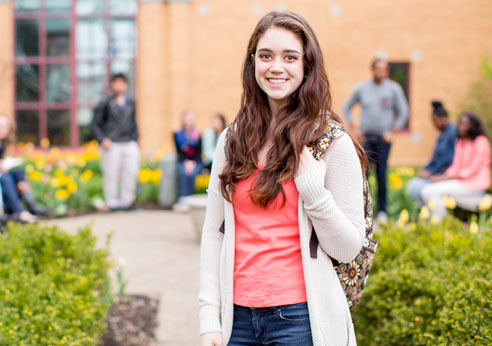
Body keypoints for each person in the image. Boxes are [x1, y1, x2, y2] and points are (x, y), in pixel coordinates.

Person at [199, 11, 367, 346]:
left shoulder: (331, 142)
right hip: (237, 320)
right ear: (253, 64)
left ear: (307, 66)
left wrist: (313, 193)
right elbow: (213, 231)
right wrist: (208, 318)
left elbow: (349, 248)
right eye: (266, 56)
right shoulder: (231, 140)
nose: (276, 67)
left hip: (301, 319)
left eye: (290, 57)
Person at [343, 57, 409, 222]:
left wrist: (393, 132)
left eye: (384, 69)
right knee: (363, 173)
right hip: (365, 137)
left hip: (384, 139)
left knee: (381, 173)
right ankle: (363, 209)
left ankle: (382, 212)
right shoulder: (362, 88)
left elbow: (403, 112)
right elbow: (347, 107)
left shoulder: (393, 89)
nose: (382, 72)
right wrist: (354, 128)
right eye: (379, 69)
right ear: (373, 69)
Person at [421, 113, 491, 218]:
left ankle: (438, 222)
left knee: (429, 191)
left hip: (475, 184)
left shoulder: (481, 141)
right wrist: (441, 177)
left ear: (473, 126)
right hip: (460, 183)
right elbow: (455, 166)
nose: (461, 127)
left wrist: (445, 178)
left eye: (464, 124)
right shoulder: (460, 142)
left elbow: (472, 169)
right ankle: (439, 220)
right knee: (428, 189)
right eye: (460, 124)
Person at [90, 73, 140, 212]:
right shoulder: (104, 102)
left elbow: (133, 122)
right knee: (111, 175)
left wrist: (135, 138)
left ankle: (127, 201)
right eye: (117, 82)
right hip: (111, 144)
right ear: (112, 84)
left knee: (131, 172)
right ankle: (112, 203)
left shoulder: (130, 101)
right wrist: (102, 139)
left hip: (128, 142)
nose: (120, 85)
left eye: (122, 82)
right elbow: (95, 124)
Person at [0, 113, 45, 222]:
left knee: (19, 172)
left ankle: (31, 205)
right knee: (7, 178)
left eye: (4, 126)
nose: (1, 129)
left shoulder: (1, 144)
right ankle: (20, 212)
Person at [406, 101, 457, 205]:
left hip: (442, 175)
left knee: (417, 187)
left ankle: (428, 213)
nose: (433, 124)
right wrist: (426, 169)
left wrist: (430, 173)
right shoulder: (441, 135)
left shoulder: (452, 133)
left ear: (443, 118)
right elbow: (435, 158)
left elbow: (447, 160)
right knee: (412, 184)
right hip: (434, 173)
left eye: (435, 121)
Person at [174, 110, 203, 198]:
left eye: (191, 118)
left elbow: (199, 152)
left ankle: (190, 198)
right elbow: (178, 152)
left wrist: (192, 163)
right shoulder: (177, 134)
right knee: (183, 172)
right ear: (183, 119)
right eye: (187, 118)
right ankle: (183, 198)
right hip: (182, 161)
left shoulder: (198, 134)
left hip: (196, 161)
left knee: (193, 174)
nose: (189, 120)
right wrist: (186, 163)